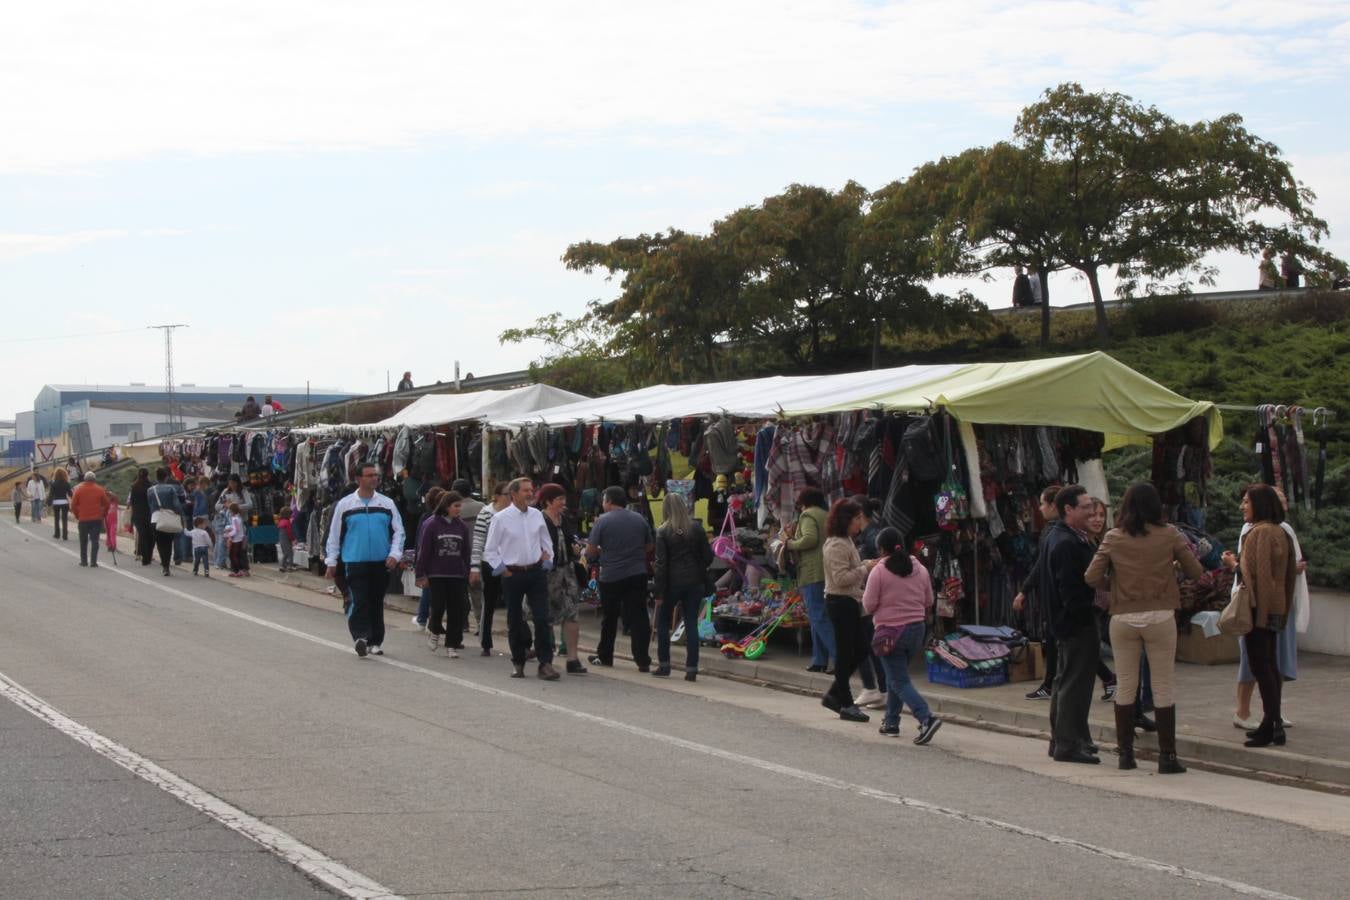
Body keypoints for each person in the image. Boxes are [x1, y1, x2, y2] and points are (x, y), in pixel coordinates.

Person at [1085, 483, 1205, 773]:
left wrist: (1114, 587)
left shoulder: (1113, 537)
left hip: (1123, 617)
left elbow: (1091, 577)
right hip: (1161, 616)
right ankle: (1167, 757)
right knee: (1163, 685)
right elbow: (1196, 572)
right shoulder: (1169, 535)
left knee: (1126, 684)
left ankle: (1126, 754)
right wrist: (1172, 570)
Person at [1221, 484, 1297, 748]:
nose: (1243, 506)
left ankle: (1273, 726)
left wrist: (1234, 566)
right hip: (1273, 607)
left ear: (1260, 505)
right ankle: (1270, 723)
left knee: (1261, 667)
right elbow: (1286, 576)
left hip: (1259, 609)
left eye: (1246, 502)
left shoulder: (1260, 533)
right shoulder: (1279, 531)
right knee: (1268, 666)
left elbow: (1261, 576)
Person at [864, 526, 942, 745]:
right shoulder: (920, 568)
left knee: (898, 680)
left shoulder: (879, 571)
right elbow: (929, 601)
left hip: (890, 633)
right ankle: (891, 721)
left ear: (881, 550)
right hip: (916, 630)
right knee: (896, 676)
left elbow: (869, 605)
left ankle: (926, 718)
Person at [1039, 485, 1100, 764]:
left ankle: (1068, 737)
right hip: (1074, 623)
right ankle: (1067, 742)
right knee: (1074, 683)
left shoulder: (1073, 537)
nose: (1092, 511)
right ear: (1069, 510)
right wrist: (1092, 607)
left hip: (1069, 622)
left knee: (1066, 681)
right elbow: (1070, 590)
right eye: (1086, 506)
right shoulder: (1065, 542)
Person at [325, 462, 406, 658]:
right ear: (359, 479)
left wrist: (395, 554)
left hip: (381, 562)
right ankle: (360, 637)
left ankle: (376, 641)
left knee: (376, 602)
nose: (374, 479)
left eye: (376, 475)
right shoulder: (345, 505)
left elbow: (399, 532)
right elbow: (334, 535)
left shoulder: (386, 504)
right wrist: (331, 561)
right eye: (369, 475)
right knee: (359, 600)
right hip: (355, 561)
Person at [483, 477, 556, 679]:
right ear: (513, 494)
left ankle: (545, 662)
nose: (530, 493)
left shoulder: (537, 516)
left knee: (542, 618)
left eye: (531, 490)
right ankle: (518, 661)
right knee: (514, 619)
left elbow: (546, 541)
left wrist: (547, 561)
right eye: (525, 490)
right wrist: (503, 569)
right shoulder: (500, 518)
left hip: (535, 572)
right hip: (513, 573)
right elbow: (490, 549)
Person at [820, 498, 879, 723]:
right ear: (846, 520)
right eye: (856, 519)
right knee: (845, 654)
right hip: (840, 602)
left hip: (851, 601)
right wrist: (864, 568)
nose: (859, 523)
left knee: (861, 649)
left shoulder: (847, 541)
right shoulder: (836, 544)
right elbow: (841, 578)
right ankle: (844, 702)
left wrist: (863, 565)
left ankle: (836, 694)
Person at [586, 485, 655, 673]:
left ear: (608, 501)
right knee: (639, 616)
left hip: (611, 576)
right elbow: (649, 546)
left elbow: (590, 550)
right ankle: (643, 660)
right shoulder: (639, 519)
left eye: (603, 501)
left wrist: (604, 551)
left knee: (609, 618)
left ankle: (605, 656)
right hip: (636, 573)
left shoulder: (602, 521)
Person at [652, 491, 712, 681]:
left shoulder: (662, 531)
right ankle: (691, 668)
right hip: (695, 582)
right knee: (691, 623)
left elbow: (661, 564)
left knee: (663, 623)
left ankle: (664, 665)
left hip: (671, 583)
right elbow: (708, 557)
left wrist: (658, 590)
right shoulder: (696, 528)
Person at [1015, 485, 1062, 700]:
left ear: (1054, 505)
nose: (1040, 508)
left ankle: (1109, 678)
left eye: (1043, 503)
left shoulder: (1052, 532)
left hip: (1056, 596)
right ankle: (1048, 684)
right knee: (1055, 641)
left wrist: (1024, 590)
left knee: (1066, 643)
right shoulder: (1061, 530)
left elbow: (1040, 566)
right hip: (1056, 595)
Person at [415, 491, 472, 658]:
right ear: (446, 506)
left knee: (457, 609)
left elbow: (465, 552)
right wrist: (420, 573)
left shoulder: (461, 526)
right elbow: (424, 550)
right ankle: (435, 630)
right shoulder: (431, 524)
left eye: (460, 506)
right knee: (438, 606)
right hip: (437, 574)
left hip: (456, 574)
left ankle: (452, 644)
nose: (458, 509)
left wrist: (468, 570)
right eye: (456, 506)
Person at [538, 483, 588, 675]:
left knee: (572, 613)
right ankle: (546, 655)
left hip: (568, 572)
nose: (563, 503)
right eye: (559, 499)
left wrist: (576, 546)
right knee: (546, 614)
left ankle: (572, 658)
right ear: (548, 501)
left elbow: (573, 538)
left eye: (563, 498)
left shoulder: (565, 518)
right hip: (547, 574)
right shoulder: (539, 519)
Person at [784, 488, 832, 674]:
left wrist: (789, 544)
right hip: (826, 570)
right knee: (818, 617)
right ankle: (819, 659)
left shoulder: (807, 515)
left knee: (818, 617)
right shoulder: (826, 515)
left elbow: (810, 539)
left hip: (812, 572)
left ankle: (838, 656)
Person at [471, 482, 511, 657]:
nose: (510, 498)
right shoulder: (486, 514)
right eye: (507, 494)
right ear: (497, 496)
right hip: (490, 562)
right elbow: (478, 541)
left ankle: (521, 643)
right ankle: (485, 641)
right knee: (489, 602)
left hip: (511, 562)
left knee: (514, 602)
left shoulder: (514, 514)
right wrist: (474, 567)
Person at [452, 478, 485, 634]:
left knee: (460, 592)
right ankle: (480, 623)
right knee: (478, 591)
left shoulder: (455, 510)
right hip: (480, 553)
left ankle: (462, 622)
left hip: (460, 555)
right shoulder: (481, 507)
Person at [147, 468, 184, 576]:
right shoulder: (171, 489)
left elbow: (150, 505)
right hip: (168, 518)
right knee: (168, 543)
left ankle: (164, 565)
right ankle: (166, 566)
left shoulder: (150, 490)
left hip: (155, 519)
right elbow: (177, 505)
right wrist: (180, 516)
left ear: (156, 477)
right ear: (166, 477)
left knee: (160, 544)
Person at [70, 471, 111, 567]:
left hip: (83, 519)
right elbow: (107, 504)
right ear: (94, 479)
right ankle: (93, 561)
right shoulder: (100, 489)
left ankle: (84, 561)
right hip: (96, 519)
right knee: (95, 540)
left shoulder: (79, 490)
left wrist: (77, 515)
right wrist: (103, 513)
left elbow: (73, 505)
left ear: (85, 479)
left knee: (83, 541)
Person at [127, 468, 153, 565]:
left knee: (142, 535)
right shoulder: (150, 486)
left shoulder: (134, 486)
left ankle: (144, 558)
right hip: (148, 514)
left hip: (138, 515)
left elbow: (132, 502)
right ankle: (148, 557)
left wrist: (132, 517)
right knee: (150, 536)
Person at [225, 503, 250, 576]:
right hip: (240, 539)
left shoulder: (234, 519)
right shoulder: (239, 518)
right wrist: (230, 527)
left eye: (230, 511)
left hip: (236, 540)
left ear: (232, 511)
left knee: (233, 555)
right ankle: (238, 570)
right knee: (238, 555)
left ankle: (236, 570)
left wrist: (228, 534)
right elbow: (238, 528)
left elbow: (236, 530)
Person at [48, 468, 73, 540]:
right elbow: (70, 494)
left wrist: (49, 502)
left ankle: (57, 534)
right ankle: (65, 535)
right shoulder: (67, 483)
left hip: (56, 502)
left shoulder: (54, 484)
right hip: (64, 502)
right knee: (64, 519)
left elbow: (51, 494)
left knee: (56, 519)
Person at [277, 507, 296, 571]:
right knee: (290, 553)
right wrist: (293, 539)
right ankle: (290, 566)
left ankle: (282, 566)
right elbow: (289, 532)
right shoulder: (287, 522)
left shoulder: (280, 522)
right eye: (290, 514)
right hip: (287, 540)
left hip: (281, 540)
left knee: (285, 553)